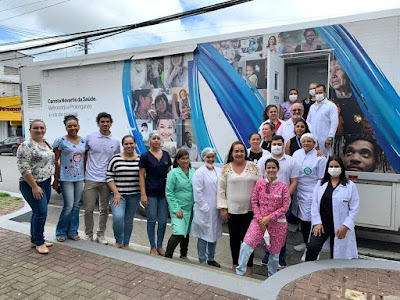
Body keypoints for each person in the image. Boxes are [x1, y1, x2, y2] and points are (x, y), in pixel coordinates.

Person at [236, 158, 290, 277]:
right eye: (268, 168)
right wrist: (261, 218)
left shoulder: (283, 186)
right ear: (265, 169)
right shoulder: (260, 183)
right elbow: (254, 201)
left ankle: (271, 276)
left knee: (274, 253)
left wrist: (269, 218)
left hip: (278, 224)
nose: (271, 170)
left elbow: (285, 206)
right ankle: (240, 271)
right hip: (259, 221)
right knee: (246, 245)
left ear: (278, 169)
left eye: (273, 168)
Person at [217, 141, 261, 274]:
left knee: (249, 240)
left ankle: (249, 265)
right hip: (232, 211)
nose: (239, 153)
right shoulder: (226, 168)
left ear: (245, 152)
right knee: (234, 240)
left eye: (242, 151)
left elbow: (260, 187)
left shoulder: (253, 167)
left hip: (250, 211)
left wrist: (260, 208)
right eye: (236, 151)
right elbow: (221, 189)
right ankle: (235, 263)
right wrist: (223, 208)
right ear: (232, 153)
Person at [306, 156, 360, 260]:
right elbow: (314, 204)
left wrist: (346, 226)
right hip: (322, 224)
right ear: (327, 168)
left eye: (336, 166)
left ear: (342, 168)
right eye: (331, 166)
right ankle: (306, 271)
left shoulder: (350, 186)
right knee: (313, 247)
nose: (333, 169)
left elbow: (354, 208)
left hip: (341, 224)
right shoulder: (320, 184)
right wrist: (317, 222)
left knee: (337, 253)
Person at [257, 136, 299, 267]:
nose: (277, 146)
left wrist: (285, 196)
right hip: (266, 203)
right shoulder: (263, 160)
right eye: (274, 143)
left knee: (281, 231)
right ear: (270, 145)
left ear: (283, 145)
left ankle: (280, 257)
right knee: (267, 231)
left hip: (283, 204)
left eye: (279, 144)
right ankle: (267, 255)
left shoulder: (291, 161)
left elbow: (294, 181)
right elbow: (259, 180)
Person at [17, 120, 55, 254]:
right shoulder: (26, 145)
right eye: (36, 128)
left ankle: (35, 239)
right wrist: (34, 186)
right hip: (31, 184)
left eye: (42, 128)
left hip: (46, 183)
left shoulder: (46, 143)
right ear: (30, 130)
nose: (39, 130)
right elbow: (23, 168)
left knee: (37, 213)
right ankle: (39, 242)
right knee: (41, 213)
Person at [84, 112, 120, 245]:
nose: (105, 124)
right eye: (102, 122)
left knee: (104, 209)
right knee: (88, 209)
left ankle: (101, 234)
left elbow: (116, 160)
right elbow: (84, 155)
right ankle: (88, 234)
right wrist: (84, 172)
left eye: (107, 121)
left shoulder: (115, 141)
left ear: (111, 123)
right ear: (98, 123)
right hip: (91, 178)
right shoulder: (90, 137)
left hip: (107, 180)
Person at [292, 133, 327, 257]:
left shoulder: (320, 158)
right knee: (302, 218)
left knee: (310, 219)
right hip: (298, 191)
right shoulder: (296, 154)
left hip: (311, 193)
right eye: (304, 141)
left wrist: (318, 195)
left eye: (309, 141)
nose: (306, 143)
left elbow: (322, 178)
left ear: (314, 143)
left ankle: (312, 247)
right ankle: (305, 242)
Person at [53, 115, 86, 243]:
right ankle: (60, 232)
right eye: (69, 126)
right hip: (65, 178)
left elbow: (85, 159)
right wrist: (56, 179)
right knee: (68, 205)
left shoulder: (84, 141)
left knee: (76, 205)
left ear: (78, 126)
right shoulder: (60, 141)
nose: (72, 128)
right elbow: (55, 161)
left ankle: (72, 231)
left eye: (75, 125)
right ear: (66, 127)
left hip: (79, 178)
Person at [139, 131, 172, 256]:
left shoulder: (166, 155)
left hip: (164, 194)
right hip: (150, 193)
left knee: (163, 221)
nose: (156, 140)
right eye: (154, 138)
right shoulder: (145, 156)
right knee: (152, 220)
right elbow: (141, 176)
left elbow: (170, 174)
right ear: (150, 141)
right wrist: (143, 194)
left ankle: (160, 246)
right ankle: (152, 246)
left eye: (158, 138)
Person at [107, 135, 141, 248]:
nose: (129, 146)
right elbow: (109, 177)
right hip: (118, 196)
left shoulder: (140, 160)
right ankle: (118, 241)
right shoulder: (115, 159)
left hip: (134, 195)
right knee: (118, 217)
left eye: (131, 143)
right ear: (123, 145)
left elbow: (143, 177)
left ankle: (126, 243)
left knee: (128, 220)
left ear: (135, 144)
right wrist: (116, 193)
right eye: (126, 144)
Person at [190, 148, 223, 267]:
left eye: (212, 156)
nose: (211, 159)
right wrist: (204, 207)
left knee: (213, 234)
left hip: (216, 209)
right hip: (203, 209)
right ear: (204, 158)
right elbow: (197, 192)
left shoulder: (219, 171)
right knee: (203, 235)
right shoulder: (199, 172)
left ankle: (211, 258)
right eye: (208, 157)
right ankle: (202, 260)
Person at [165, 149, 195, 259]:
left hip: (190, 208)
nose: (185, 160)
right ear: (177, 160)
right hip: (178, 208)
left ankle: (183, 255)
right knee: (179, 232)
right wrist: (176, 208)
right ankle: (168, 254)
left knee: (186, 232)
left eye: (187, 158)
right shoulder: (173, 173)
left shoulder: (193, 172)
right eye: (182, 158)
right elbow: (169, 192)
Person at [329, 60, 364, 135]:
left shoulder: (361, 99)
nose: (333, 75)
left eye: (338, 69)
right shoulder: (327, 101)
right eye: (330, 71)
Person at [306, 84, 339, 155]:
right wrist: (311, 136)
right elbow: (308, 122)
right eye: (317, 93)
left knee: (326, 157)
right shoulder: (312, 107)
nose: (318, 95)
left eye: (320, 93)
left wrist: (330, 137)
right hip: (314, 138)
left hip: (325, 139)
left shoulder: (331, 106)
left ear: (325, 93)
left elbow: (334, 122)